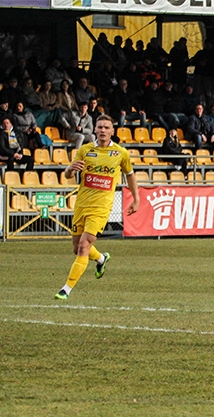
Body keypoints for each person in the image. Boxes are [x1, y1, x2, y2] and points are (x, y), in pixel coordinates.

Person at [54, 115, 140, 301]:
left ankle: (66, 289)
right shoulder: (85, 150)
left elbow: (130, 175)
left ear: (112, 131)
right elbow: (69, 174)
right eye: (99, 127)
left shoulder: (120, 153)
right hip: (81, 205)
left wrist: (136, 198)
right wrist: (70, 169)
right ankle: (101, 259)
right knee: (77, 248)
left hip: (101, 208)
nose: (102, 130)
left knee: (84, 246)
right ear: (95, 130)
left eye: (106, 127)